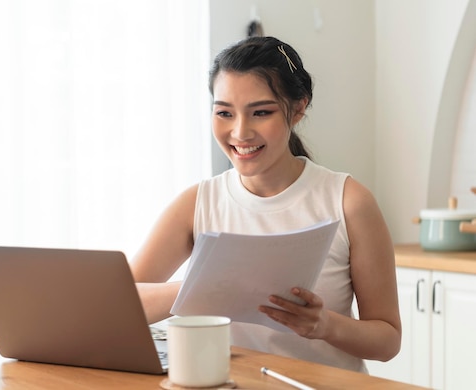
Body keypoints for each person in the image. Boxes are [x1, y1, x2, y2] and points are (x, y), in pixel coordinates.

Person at [129, 36, 401, 373]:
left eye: (261, 112)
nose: (240, 132)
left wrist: (325, 326)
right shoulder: (197, 203)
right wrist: (199, 288)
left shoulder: (349, 202)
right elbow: (120, 305)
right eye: (224, 113)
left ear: (298, 108)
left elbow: (387, 340)